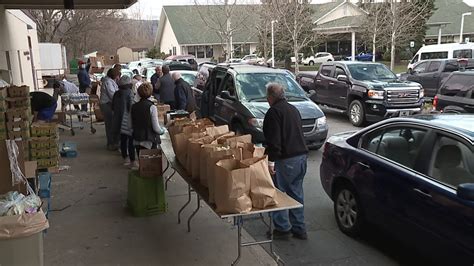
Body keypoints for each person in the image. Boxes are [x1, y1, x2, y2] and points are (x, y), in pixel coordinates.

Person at [262, 82, 308, 240]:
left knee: (278, 194)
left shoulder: (274, 112)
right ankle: (299, 229)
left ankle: (282, 229)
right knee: (296, 194)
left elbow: (274, 141)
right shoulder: (293, 109)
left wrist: (271, 162)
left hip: (285, 159)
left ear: (270, 97)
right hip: (301, 157)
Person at [131, 82, 164, 159]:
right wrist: (162, 131)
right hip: (148, 139)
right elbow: (156, 127)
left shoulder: (133, 106)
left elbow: (130, 125)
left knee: (142, 162)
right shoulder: (152, 107)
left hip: (137, 137)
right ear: (150, 93)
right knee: (150, 163)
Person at [112, 75, 136, 167]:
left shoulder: (117, 93)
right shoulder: (129, 93)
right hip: (127, 120)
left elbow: (113, 107)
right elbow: (131, 107)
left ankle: (125, 157)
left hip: (118, 119)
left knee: (122, 139)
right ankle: (132, 160)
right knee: (130, 141)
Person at [100, 68, 120, 151]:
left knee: (112, 124)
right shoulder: (108, 82)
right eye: (118, 75)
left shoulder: (110, 81)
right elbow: (112, 95)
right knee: (110, 125)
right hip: (107, 105)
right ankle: (111, 144)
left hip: (109, 104)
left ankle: (113, 142)